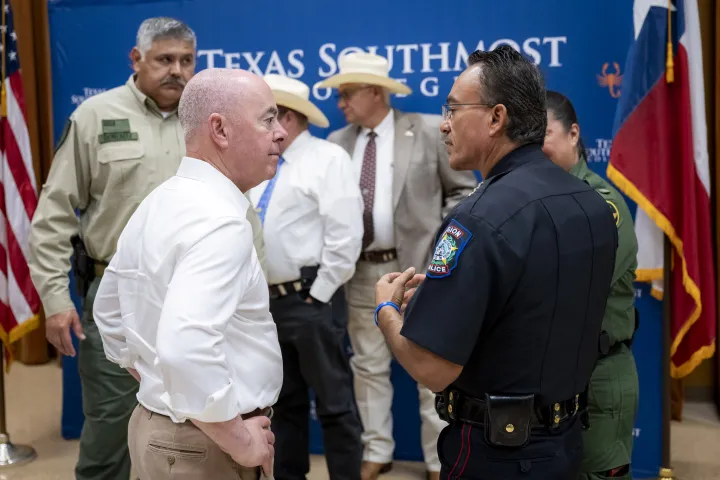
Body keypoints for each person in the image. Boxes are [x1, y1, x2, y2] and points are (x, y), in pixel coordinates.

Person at [373, 45, 619, 479]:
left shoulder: (477, 219)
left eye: (452, 109)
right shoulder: (591, 204)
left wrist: (386, 310)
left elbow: (432, 368)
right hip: (566, 443)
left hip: (496, 454)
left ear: (495, 118)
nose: (444, 125)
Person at [27, 18, 204, 480]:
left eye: (186, 60)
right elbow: (52, 218)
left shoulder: (206, 120)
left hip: (198, 295)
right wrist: (55, 299)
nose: (177, 71)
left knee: (194, 434)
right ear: (137, 59)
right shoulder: (95, 117)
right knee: (111, 431)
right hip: (116, 298)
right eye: (165, 59)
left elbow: (242, 210)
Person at [92, 67, 286, 480]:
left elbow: (108, 313)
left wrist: (163, 385)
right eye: (268, 119)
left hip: (159, 429)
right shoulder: (220, 222)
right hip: (204, 449)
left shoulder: (159, 201)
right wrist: (240, 440)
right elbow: (185, 346)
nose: (281, 132)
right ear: (220, 129)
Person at [316, 52, 477, 480]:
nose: (340, 102)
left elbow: (463, 194)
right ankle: (377, 451)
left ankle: (437, 460)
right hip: (361, 273)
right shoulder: (336, 143)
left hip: (421, 272)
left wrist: (439, 258)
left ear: (375, 92)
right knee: (367, 365)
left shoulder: (426, 129)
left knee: (429, 369)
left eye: (347, 93)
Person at [247, 74, 364, 480]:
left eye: (266, 117)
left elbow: (346, 235)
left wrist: (318, 295)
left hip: (311, 298)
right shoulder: (261, 162)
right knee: (284, 408)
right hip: (267, 304)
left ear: (287, 117)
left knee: (335, 405)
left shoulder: (327, 159)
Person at [543, 90, 639, 479]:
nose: (536, 147)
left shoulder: (601, 206)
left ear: (573, 134)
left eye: (545, 134)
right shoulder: (535, 202)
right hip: (549, 378)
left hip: (597, 377)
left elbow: (574, 288)